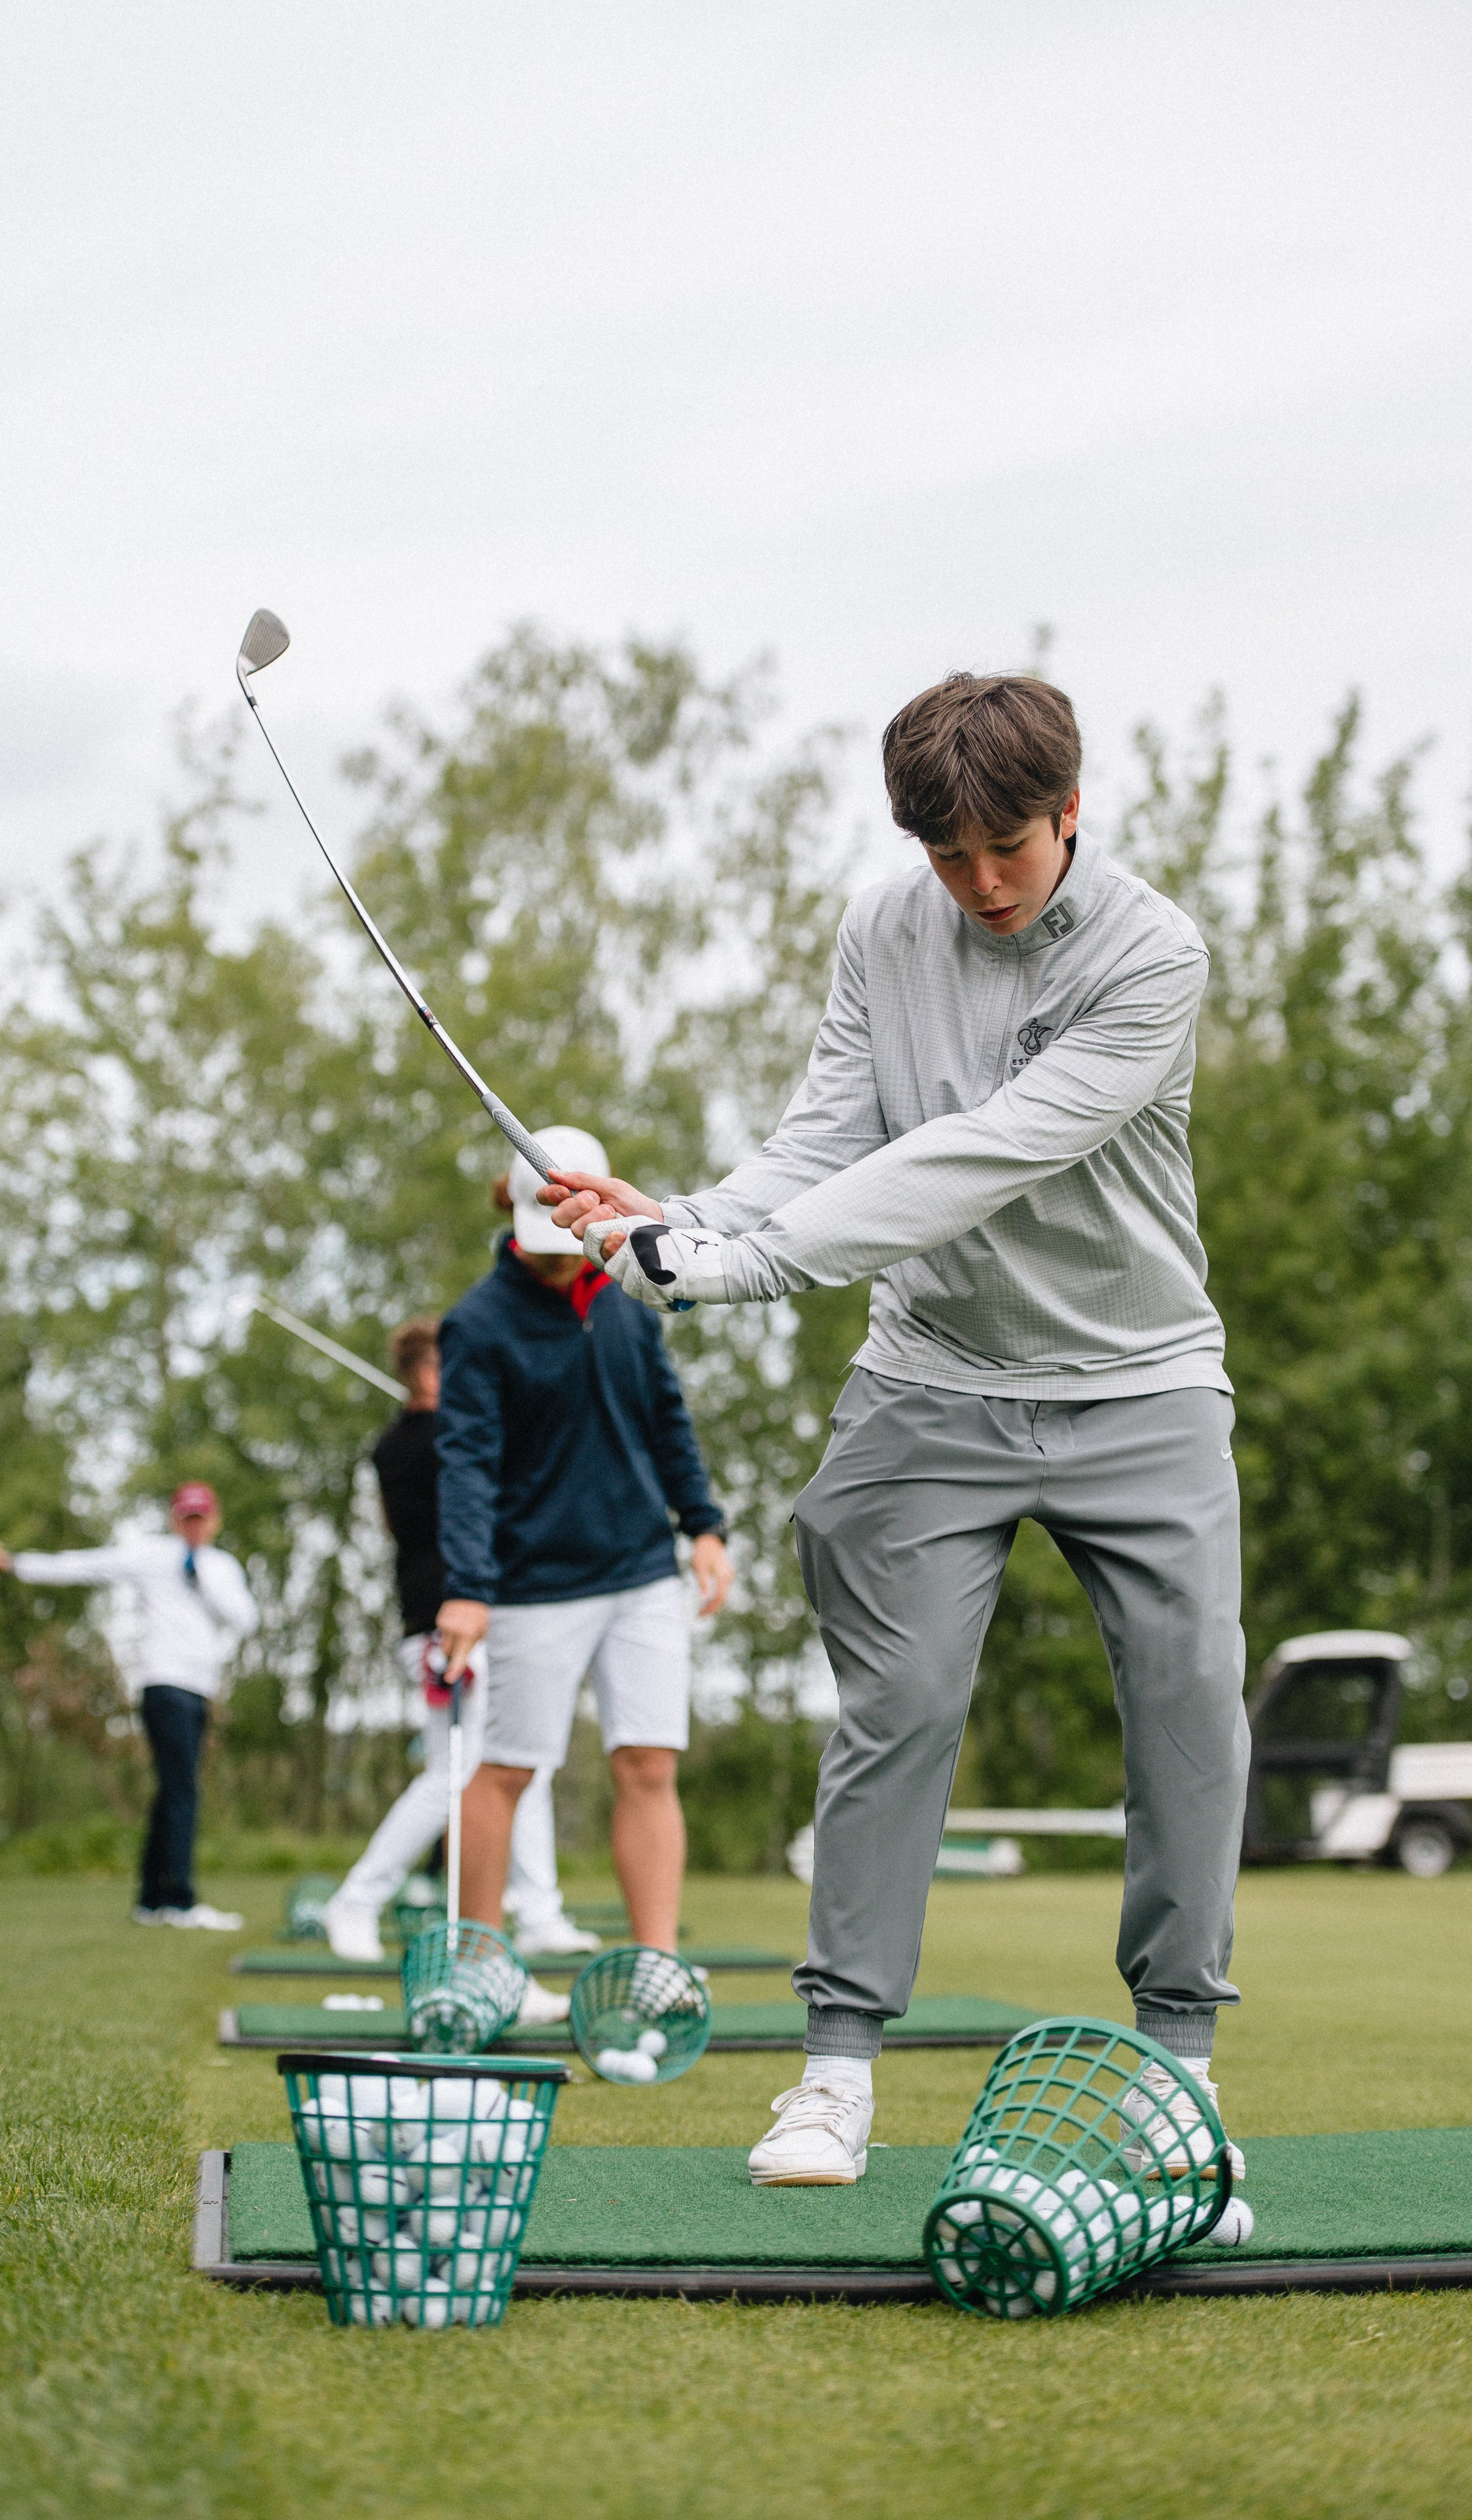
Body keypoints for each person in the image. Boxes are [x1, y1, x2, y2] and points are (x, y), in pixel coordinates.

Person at [545, 673, 1249, 2189]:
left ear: (1070, 811)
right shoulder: (884, 926)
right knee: (898, 1709)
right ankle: (834, 2074)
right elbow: (830, 1128)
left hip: (1138, 1385)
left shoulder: (1150, 954)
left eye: (1005, 845)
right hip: (930, 1379)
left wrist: (751, 1260)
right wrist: (688, 1214)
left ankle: (1177, 2069)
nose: (978, 882)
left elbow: (978, 1155)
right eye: (947, 855)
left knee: (1189, 1708)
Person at [441, 1124, 733, 1959]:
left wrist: (703, 1527)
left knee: (648, 1765)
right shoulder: (478, 1324)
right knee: (507, 1770)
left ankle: (656, 1967)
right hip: (534, 1582)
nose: (566, 1258)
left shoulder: (627, 1300)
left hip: (643, 1570)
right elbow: (464, 1466)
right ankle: (479, 1965)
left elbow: (666, 1423)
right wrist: (467, 1584)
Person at [321, 1317, 600, 1974]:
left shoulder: (451, 1435)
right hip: (442, 1624)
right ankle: (355, 1900)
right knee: (456, 1770)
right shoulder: (409, 1446)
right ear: (427, 1373)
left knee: (521, 1758)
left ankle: (537, 1911)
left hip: (491, 1619)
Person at [0, 1482, 259, 1929]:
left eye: (201, 1518)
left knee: (172, 1794)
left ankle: (152, 1900)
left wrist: (201, 1579)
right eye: (186, 1517)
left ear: (215, 1520)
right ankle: (179, 1902)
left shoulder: (222, 1568)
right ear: (173, 1519)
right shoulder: (152, 1555)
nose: (193, 1526)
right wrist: (16, 1564)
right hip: (164, 1685)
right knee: (182, 1792)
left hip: (201, 1688)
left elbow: (245, 1618)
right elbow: (86, 1565)